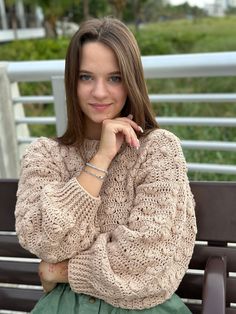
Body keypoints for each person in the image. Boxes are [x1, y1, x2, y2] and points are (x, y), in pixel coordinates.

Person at [15, 17, 197, 314]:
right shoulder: (45, 155)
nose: (99, 92)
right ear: (71, 81)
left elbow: (152, 264)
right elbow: (46, 241)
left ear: (131, 81)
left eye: (114, 78)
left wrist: (61, 272)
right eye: (86, 77)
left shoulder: (158, 150)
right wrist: (100, 160)